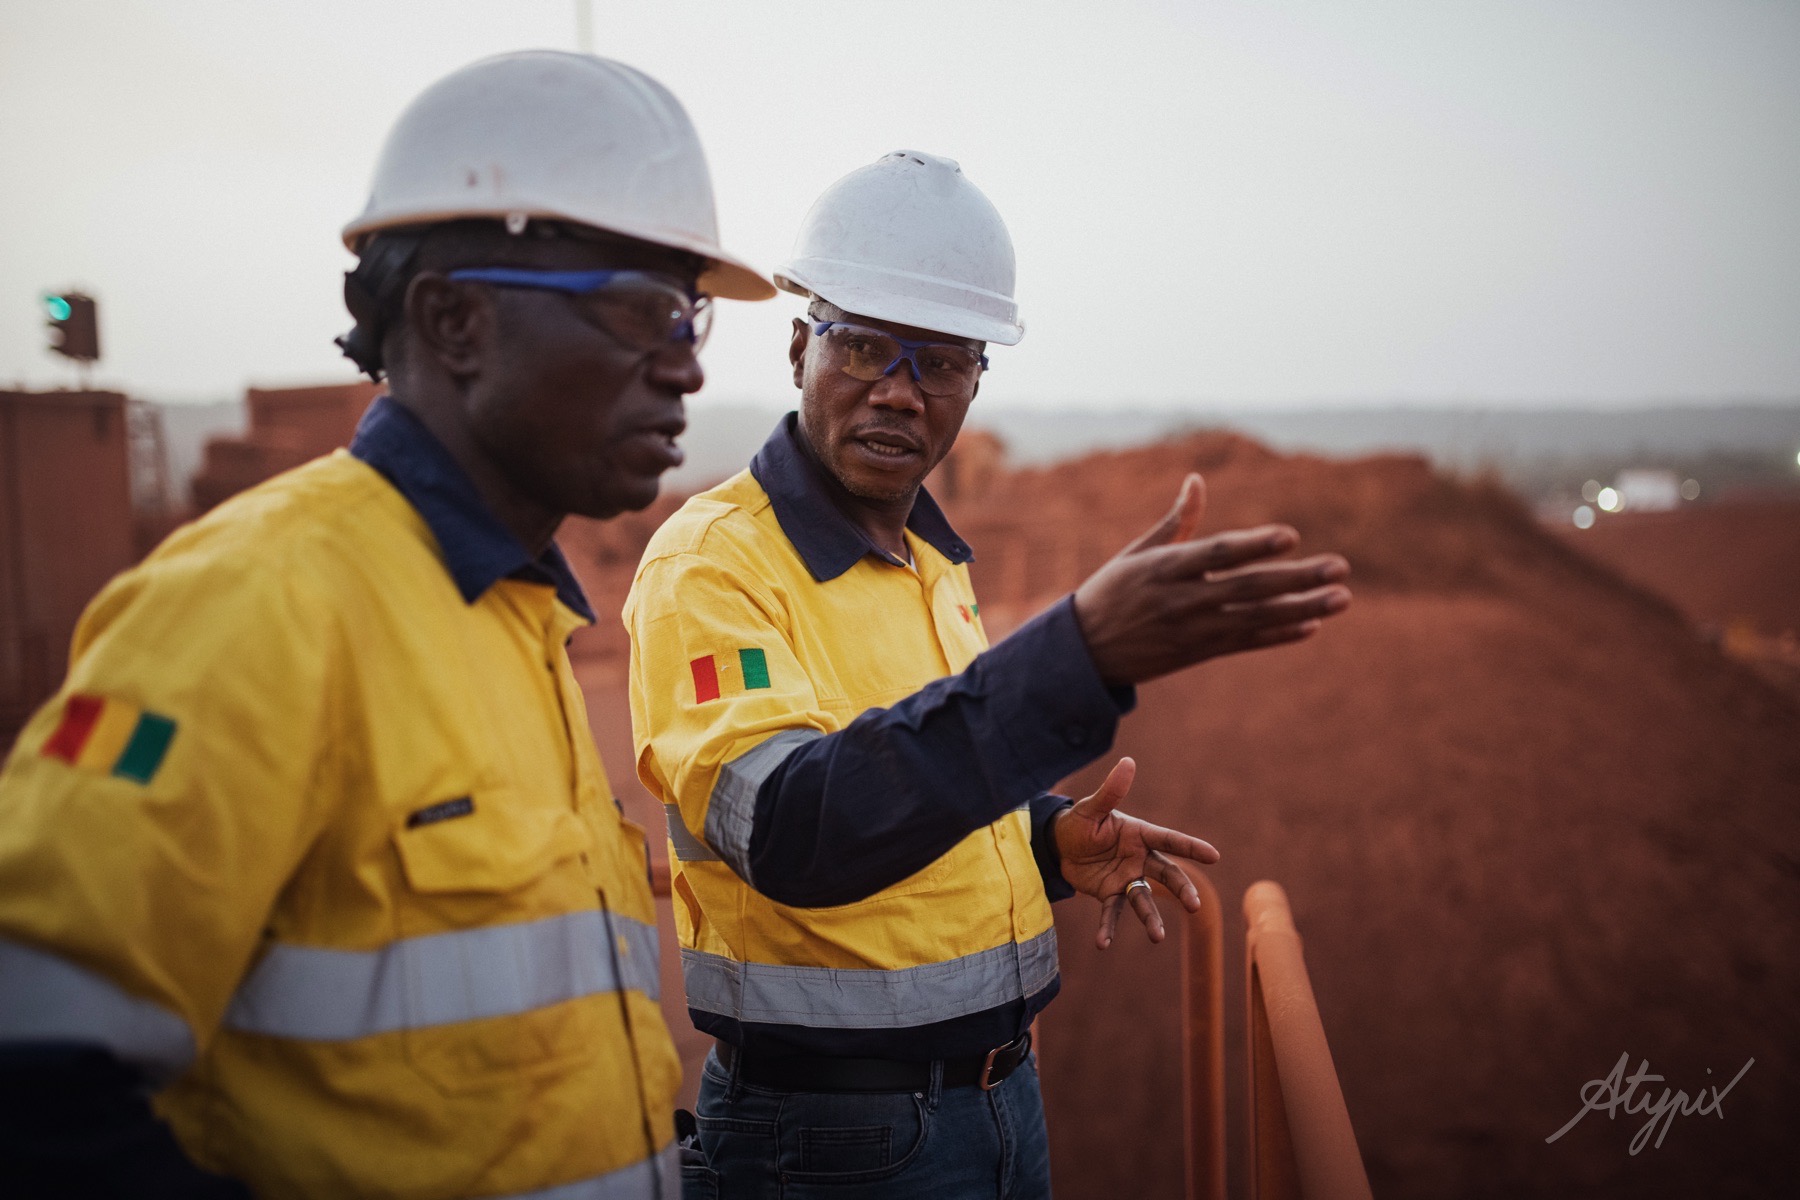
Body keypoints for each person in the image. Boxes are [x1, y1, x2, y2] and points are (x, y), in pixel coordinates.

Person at [0, 51, 772, 1199]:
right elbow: (30, 1081)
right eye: (642, 312)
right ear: (454, 320)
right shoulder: (257, 602)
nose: (687, 373)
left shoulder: (514, 611)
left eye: (691, 319)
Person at [625, 150, 1353, 1198]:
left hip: (1003, 1101)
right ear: (796, 350)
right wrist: (1076, 655)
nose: (898, 391)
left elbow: (909, 773)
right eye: (862, 346)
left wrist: (1044, 838)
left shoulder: (931, 563)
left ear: (975, 383)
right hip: (831, 1142)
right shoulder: (712, 565)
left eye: (940, 362)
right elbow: (791, 827)